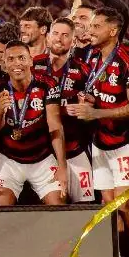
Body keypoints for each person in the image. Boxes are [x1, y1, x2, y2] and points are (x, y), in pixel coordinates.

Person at [66, 7, 129, 257]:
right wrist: (89, 103)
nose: (91, 31)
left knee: (127, 208)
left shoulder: (126, 61)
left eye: (96, 26)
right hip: (99, 145)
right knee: (110, 209)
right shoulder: (94, 58)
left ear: (112, 31)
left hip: (121, 145)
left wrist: (95, 113)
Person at [0, 41, 67, 206]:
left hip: (42, 159)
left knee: (58, 205)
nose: (17, 63)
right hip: (9, 159)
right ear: (4, 63)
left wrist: (62, 166)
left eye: (21, 58)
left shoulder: (47, 84)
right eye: (11, 59)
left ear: (31, 60)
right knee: (1, 206)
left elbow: (55, 126)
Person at [47, 17, 95, 204]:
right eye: (56, 34)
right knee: (52, 207)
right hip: (44, 155)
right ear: (48, 37)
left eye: (65, 35)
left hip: (75, 149)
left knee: (85, 205)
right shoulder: (34, 66)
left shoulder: (84, 70)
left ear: (73, 41)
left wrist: (88, 107)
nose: (59, 39)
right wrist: (64, 110)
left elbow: (93, 105)